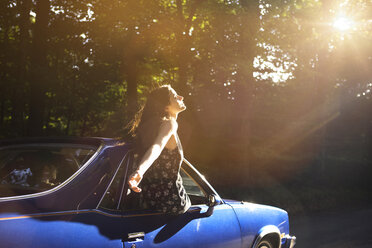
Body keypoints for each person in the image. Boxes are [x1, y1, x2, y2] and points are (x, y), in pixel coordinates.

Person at [127, 84, 191, 214]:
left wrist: (139, 171)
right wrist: (140, 171)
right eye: (175, 96)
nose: (181, 97)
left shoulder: (147, 128)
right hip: (172, 203)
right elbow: (156, 147)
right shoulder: (169, 124)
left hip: (148, 202)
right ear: (166, 107)